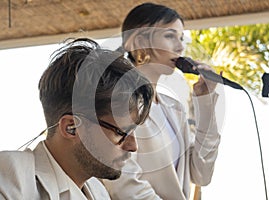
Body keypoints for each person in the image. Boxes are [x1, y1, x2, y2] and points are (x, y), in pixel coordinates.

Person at [0, 38, 154, 199]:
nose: (133, 146)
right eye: (121, 133)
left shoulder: (98, 192)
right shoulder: (10, 181)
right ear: (71, 127)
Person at [102, 3, 222, 200]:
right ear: (140, 41)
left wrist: (205, 102)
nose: (180, 46)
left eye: (181, 38)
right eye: (170, 36)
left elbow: (201, 174)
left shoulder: (174, 109)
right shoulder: (116, 102)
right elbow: (125, 187)